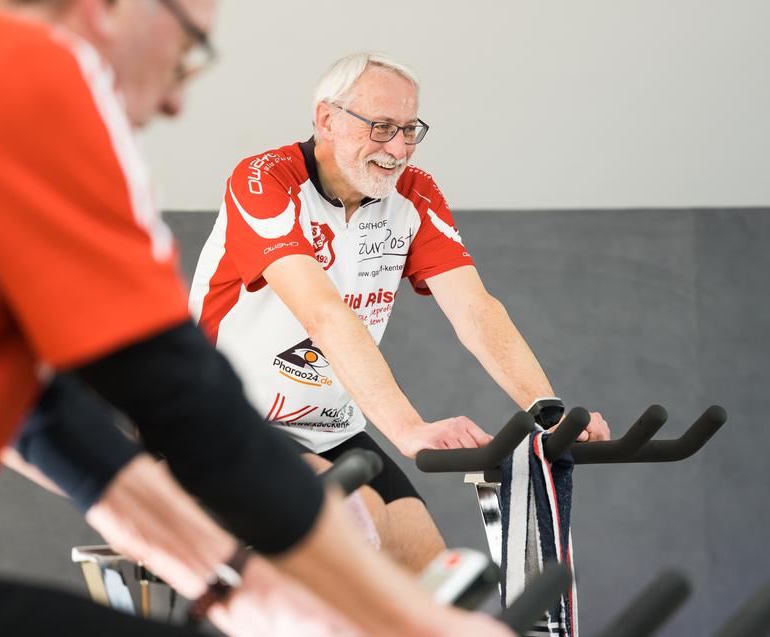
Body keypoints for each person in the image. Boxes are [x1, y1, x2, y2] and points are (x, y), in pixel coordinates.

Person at [0, 2, 512, 636]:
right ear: (107, 9)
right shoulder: (21, 76)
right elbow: (178, 394)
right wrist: (397, 616)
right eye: (188, 47)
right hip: (259, 424)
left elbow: (39, 413)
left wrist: (227, 578)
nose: (176, 102)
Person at [189, 52, 611, 571]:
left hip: (331, 429)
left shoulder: (414, 194)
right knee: (356, 516)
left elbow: (475, 309)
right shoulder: (264, 181)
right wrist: (408, 429)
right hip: (224, 422)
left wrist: (546, 411)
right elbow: (324, 314)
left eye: (410, 130)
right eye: (382, 127)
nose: (398, 150)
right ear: (326, 119)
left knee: (436, 580)